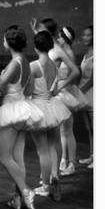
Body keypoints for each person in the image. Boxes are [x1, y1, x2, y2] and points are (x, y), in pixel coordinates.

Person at [0, 26, 43, 209]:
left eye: (4, 39)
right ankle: (19, 199)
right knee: (18, 158)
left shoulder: (14, 64)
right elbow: (29, 88)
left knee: (4, 157)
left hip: (11, 111)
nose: (2, 42)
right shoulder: (25, 61)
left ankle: (26, 191)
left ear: (9, 43)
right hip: (23, 109)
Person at [31, 18, 81, 177]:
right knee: (56, 134)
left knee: (64, 131)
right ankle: (57, 167)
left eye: (41, 30)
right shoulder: (47, 47)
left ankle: (69, 163)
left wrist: (61, 85)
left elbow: (75, 71)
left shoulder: (58, 50)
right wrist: (35, 30)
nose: (39, 32)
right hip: (46, 96)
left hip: (56, 94)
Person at [27, 31, 71, 201]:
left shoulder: (34, 65)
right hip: (52, 106)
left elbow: (29, 90)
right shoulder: (53, 65)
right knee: (54, 144)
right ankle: (55, 177)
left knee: (42, 150)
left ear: (36, 47)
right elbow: (54, 87)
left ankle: (45, 186)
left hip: (38, 106)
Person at [56, 26, 88, 175]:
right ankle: (63, 158)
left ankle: (72, 163)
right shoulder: (63, 53)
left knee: (68, 130)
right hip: (61, 93)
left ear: (66, 38)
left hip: (67, 93)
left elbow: (74, 75)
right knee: (62, 130)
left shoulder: (68, 54)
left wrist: (62, 84)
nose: (58, 39)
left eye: (60, 37)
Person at [78, 26, 94, 168]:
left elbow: (92, 79)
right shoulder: (86, 54)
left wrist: (79, 91)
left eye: (88, 35)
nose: (85, 37)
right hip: (83, 95)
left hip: (91, 94)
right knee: (89, 128)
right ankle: (92, 155)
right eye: (84, 35)